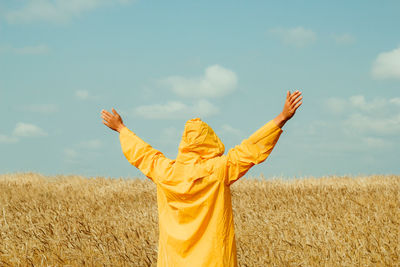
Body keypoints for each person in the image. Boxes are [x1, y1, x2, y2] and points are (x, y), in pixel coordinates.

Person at [101, 90, 303, 267]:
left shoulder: (165, 173)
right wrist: (282, 117)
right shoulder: (219, 169)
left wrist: (121, 129)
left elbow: (143, 155)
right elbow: (250, 149)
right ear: (211, 142)